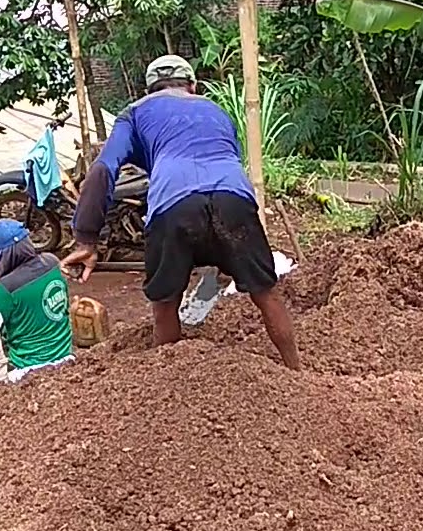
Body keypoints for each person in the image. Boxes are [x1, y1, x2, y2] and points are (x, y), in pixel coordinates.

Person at [61, 55, 301, 370]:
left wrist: (86, 239)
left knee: (164, 306)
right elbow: (227, 160)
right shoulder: (216, 111)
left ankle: (169, 389)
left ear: (148, 89)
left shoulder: (134, 113)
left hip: (173, 204)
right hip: (233, 199)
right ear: (193, 86)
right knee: (266, 293)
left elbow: (103, 170)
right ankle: (296, 370)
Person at [0, 219, 73, 381]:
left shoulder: (6, 288)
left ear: (6, 255)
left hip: (27, 370)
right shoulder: (52, 262)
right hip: (66, 358)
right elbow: (65, 307)